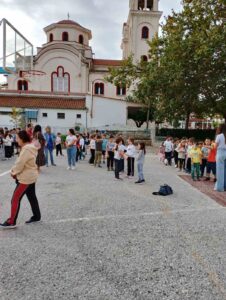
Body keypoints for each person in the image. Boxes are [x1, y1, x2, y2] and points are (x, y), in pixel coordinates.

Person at [0, 130, 41, 229]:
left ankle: (11, 222)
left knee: (15, 199)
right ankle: (37, 216)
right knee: (32, 196)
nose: (16, 140)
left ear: (22, 139)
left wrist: (13, 173)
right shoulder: (31, 147)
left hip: (25, 178)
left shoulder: (26, 149)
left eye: (17, 138)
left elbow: (20, 164)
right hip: (31, 175)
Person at [215, 124, 226, 192]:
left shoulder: (219, 136)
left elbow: (216, 146)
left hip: (220, 152)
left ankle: (219, 187)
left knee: (220, 171)